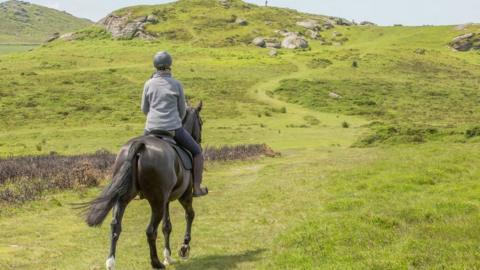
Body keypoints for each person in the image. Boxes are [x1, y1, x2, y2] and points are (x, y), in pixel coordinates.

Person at [141, 51, 208, 197]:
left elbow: (144, 109)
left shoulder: (148, 84)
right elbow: (182, 112)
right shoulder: (177, 84)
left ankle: (138, 189)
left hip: (150, 129)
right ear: (170, 65)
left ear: (155, 66)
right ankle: (196, 188)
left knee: (137, 152)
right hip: (173, 129)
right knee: (197, 151)